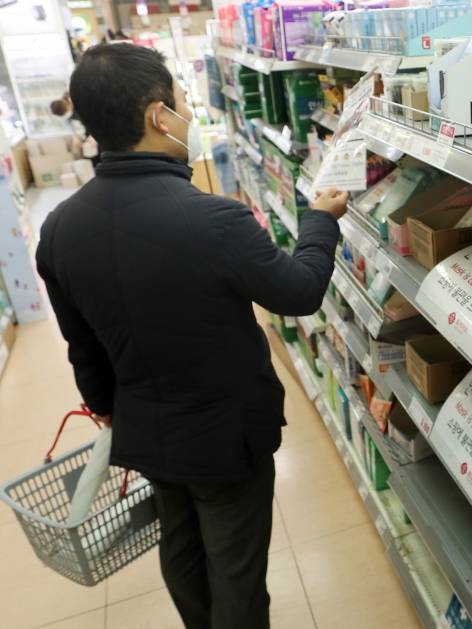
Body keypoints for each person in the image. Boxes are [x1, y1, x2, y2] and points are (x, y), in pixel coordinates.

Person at [35, 44, 348, 629]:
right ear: (159, 116)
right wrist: (319, 222)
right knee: (236, 570)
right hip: (226, 438)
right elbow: (301, 291)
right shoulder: (214, 220)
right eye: (181, 101)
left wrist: (107, 408)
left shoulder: (57, 229)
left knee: (181, 550)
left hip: (148, 431)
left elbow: (83, 346)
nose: (187, 114)